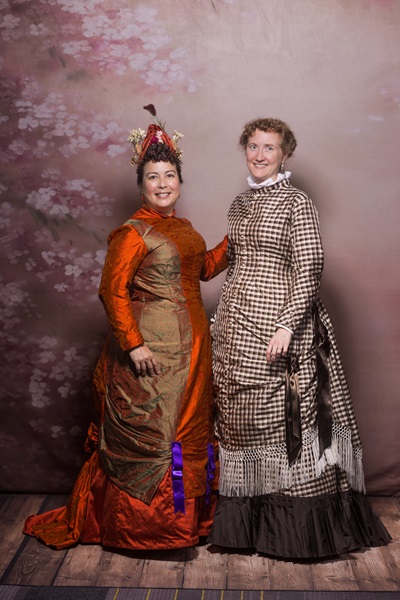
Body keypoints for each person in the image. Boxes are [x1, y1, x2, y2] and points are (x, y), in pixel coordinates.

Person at [24, 105, 228, 550]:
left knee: (188, 432)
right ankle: (151, 530)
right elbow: (110, 291)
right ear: (141, 184)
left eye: (169, 176)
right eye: (152, 177)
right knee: (157, 436)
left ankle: (187, 525)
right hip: (150, 356)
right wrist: (133, 345)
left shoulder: (185, 230)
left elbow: (206, 268)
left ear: (180, 181)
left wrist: (241, 232)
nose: (162, 184)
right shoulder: (133, 232)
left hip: (192, 355)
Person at [208, 117, 391, 559]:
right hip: (237, 327)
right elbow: (229, 258)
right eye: (252, 146)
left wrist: (288, 325)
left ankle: (293, 532)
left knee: (286, 420)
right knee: (243, 423)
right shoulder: (239, 203)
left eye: (269, 147)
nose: (259, 154)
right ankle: (247, 529)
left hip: (279, 327)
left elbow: (310, 264)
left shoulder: (297, 202)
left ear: (284, 154)